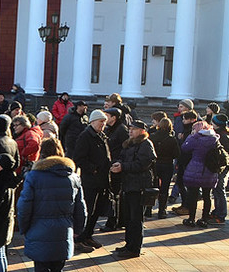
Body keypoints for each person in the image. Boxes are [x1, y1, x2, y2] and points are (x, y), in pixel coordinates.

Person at [18, 138, 86, 272]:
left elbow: (24, 206)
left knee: (41, 267)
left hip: (38, 230)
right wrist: (78, 229)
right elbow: (81, 207)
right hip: (63, 230)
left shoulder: (34, 176)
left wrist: (24, 228)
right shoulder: (73, 178)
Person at [110, 120, 155, 259]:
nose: (130, 131)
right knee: (128, 218)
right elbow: (124, 158)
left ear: (142, 131)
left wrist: (123, 167)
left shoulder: (146, 144)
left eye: (134, 129)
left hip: (139, 186)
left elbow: (142, 164)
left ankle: (135, 248)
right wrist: (119, 163)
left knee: (136, 218)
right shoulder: (130, 143)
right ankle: (128, 244)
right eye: (130, 128)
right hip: (129, 184)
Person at [72, 110, 110, 251]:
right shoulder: (85, 136)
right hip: (90, 180)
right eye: (101, 121)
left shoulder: (101, 136)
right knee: (87, 209)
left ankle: (88, 235)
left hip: (101, 180)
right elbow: (79, 158)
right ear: (93, 121)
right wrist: (93, 169)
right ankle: (80, 238)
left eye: (104, 122)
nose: (103, 124)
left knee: (96, 210)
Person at [181, 120, 220, 227]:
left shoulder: (196, 139)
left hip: (195, 170)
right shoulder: (214, 139)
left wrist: (190, 137)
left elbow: (184, 148)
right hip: (210, 171)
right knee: (207, 196)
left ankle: (191, 218)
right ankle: (204, 219)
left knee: (193, 195)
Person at [150, 116, 180, 219]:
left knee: (153, 185)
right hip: (167, 164)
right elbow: (177, 154)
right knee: (165, 188)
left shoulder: (152, 136)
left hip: (155, 164)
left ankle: (148, 209)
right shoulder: (172, 139)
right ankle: (162, 210)